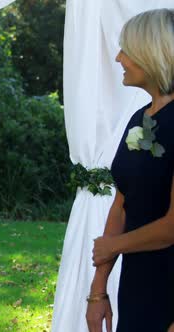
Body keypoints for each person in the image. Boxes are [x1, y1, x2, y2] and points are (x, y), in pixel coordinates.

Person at [86, 8, 174, 332]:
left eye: (127, 50)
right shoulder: (140, 119)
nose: (119, 58)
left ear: (152, 54)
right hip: (137, 284)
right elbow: (121, 206)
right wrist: (98, 290)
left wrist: (114, 246)